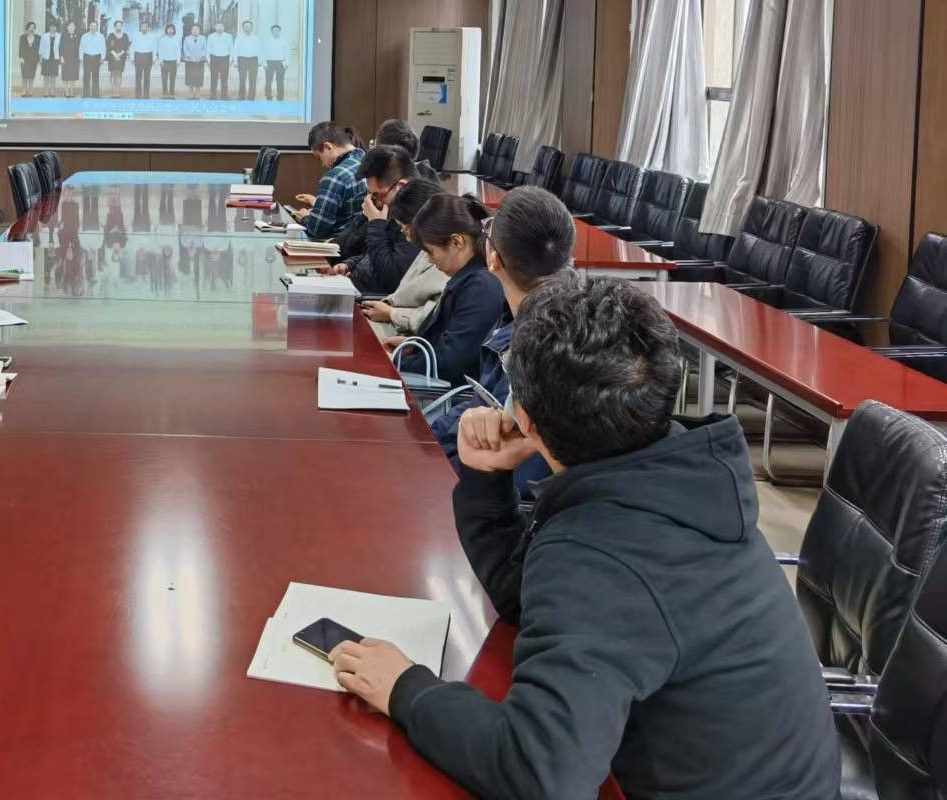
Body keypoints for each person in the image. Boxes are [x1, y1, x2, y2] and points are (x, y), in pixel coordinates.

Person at [331, 274, 840, 800]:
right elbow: (527, 598)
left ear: (524, 417)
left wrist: (407, 690)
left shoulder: (602, 554)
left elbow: (539, 774)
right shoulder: (680, 477)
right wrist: (486, 479)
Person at [429, 187, 574, 489]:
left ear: (493, 260)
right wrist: (428, 441)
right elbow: (479, 406)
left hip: (475, 489)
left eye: (488, 228)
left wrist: (425, 463)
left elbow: (507, 470)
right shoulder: (532, 322)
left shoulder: (540, 353)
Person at [385, 193, 505, 388]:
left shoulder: (481, 287)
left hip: (447, 393)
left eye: (430, 252)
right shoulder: (469, 279)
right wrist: (414, 345)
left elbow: (449, 364)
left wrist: (394, 362)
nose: (430, 260)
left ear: (457, 242)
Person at [357, 179, 446, 338]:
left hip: (405, 331)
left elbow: (431, 319)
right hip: (393, 318)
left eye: (406, 230)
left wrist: (391, 313)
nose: (407, 237)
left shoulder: (444, 256)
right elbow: (404, 290)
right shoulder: (427, 247)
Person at [326, 144, 417, 296]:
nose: (374, 202)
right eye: (370, 195)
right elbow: (371, 253)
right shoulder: (392, 207)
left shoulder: (415, 219)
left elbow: (391, 278)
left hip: (373, 299)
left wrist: (376, 224)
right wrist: (349, 264)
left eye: (377, 195)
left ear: (400, 186)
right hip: (355, 285)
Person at [292, 122, 364, 240]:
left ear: (328, 147)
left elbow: (317, 230)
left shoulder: (335, 176)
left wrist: (305, 217)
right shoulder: (369, 162)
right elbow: (349, 211)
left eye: (319, 157)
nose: (323, 164)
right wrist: (316, 202)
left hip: (337, 245)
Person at [233, 20, 261, 99]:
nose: (247, 28)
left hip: (253, 60)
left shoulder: (256, 38)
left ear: (251, 28)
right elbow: (236, 49)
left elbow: (259, 50)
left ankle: (251, 97)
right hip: (242, 60)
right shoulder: (239, 37)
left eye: (249, 26)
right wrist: (235, 61)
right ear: (243, 28)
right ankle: (241, 96)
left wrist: (260, 60)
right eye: (245, 26)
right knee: (242, 79)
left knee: (253, 79)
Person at [206, 21, 233, 99]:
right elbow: (208, 49)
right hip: (214, 58)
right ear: (215, 27)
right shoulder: (211, 36)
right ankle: (212, 94)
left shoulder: (228, 36)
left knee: (224, 78)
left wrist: (230, 60)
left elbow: (231, 49)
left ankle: (224, 95)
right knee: (213, 77)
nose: (219, 28)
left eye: (221, 26)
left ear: (224, 28)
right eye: (218, 26)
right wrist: (208, 60)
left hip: (225, 58)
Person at [131, 16, 157, 98]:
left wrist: (154, 58)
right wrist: (132, 58)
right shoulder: (136, 36)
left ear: (148, 28)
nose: (144, 28)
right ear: (140, 28)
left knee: (147, 77)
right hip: (138, 56)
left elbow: (154, 48)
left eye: (146, 27)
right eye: (142, 27)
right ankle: (138, 95)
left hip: (148, 57)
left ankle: (146, 95)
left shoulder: (152, 37)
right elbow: (132, 48)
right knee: (138, 77)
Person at [262, 23, 289, 101]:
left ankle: (280, 96)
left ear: (279, 31)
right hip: (269, 62)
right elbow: (263, 52)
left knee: (280, 80)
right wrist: (264, 63)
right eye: (274, 30)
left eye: (277, 30)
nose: (275, 32)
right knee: (268, 80)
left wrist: (287, 63)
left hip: (280, 62)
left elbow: (287, 52)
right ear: (271, 31)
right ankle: (268, 95)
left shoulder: (284, 41)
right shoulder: (266, 41)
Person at [181, 22, 208, 100]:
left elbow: (205, 49)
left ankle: (197, 91)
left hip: (200, 60)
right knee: (190, 77)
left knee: (198, 77)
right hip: (190, 60)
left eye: (197, 29)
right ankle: (190, 91)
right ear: (191, 30)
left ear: (199, 30)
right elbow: (185, 49)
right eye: (193, 29)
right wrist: (190, 57)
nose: (195, 31)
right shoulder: (187, 38)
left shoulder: (203, 38)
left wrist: (201, 57)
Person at [78, 21, 105, 97]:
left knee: (95, 76)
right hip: (87, 57)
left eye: (94, 26)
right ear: (89, 27)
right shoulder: (84, 36)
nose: (93, 27)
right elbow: (81, 48)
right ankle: (85, 94)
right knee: (86, 76)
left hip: (97, 57)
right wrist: (81, 58)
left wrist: (102, 58)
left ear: (97, 27)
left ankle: (95, 94)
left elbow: (103, 48)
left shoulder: (101, 36)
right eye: (91, 26)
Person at [38, 18, 62, 98]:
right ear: (49, 27)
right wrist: (40, 58)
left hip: (55, 58)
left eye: (54, 26)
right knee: (46, 76)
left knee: (53, 76)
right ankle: (46, 91)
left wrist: (60, 58)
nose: (53, 28)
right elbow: (41, 47)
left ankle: (52, 91)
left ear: (56, 28)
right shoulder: (45, 36)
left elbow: (61, 48)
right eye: (51, 26)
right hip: (46, 58)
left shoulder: (59, 36)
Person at [105, 20, 131, 92]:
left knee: (119, 73)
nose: (118, 27)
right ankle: (113, 89)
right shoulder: (111, 35)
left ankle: (118, 90)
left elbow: (126, 47)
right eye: (117, 26)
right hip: (112, 57)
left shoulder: (125, 36)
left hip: (121, 57)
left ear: (122, 27)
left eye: (120, 25)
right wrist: (115, 55)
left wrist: (119, 55)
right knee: (112, 73)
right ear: (115, 27)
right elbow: (108, 47)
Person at [157, 22, 181, 98]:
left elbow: (178, 51)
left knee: (172, 78)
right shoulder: (162, 40)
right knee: (164, 79)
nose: (170, 30)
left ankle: (171, 92)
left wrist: (178, 61)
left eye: (172, 29)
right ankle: (165, 92)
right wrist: (161, 60)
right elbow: (160, 50)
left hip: (173, 61)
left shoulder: (176, 40)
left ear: (174, 30)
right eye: (169, 29)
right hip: (164, 62)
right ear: (166, 30)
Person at [60, 17, 83, 95]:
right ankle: (66, 91)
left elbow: (80, 47)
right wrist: (61, 57)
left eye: (73, 26)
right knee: (66, 76)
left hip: (75, 59)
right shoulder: (63, 35)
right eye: (70, 26)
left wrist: (80, 58)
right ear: (67, 27)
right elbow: (61, 47)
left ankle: (71, 91)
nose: (71, 27)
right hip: (66, 58)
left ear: (75, 27)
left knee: (73, 76)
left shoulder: (77, 36)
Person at [17, 21, 41, 96]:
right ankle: (24, 91)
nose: (32, 29)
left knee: (31, 76)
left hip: (34, 60)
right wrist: (21, 57)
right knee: (24, 76)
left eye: (33, 27)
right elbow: (20, 48)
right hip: (24, 59)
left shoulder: (38, 38)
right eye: (30, 27)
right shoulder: (22, 37)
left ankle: (30, 91)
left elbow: (40, 49)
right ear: (27, 28)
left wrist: (39, 59)